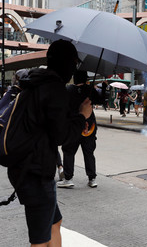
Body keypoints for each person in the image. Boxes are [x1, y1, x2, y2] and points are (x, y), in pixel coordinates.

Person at [7, 39, 92, 246]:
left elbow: (45, 124)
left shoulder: (35, 82)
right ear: (68, 62)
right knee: (40, 240)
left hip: (26, 167)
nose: (74, 69)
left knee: (55, 222)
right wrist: (82, 116)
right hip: (35, 172)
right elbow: (60, 136)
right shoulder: (54, 89)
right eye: (74, 63)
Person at [58, 70, 104, 189]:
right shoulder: (90, 90)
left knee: (68, 151)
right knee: (89, 152)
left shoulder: (68, 90)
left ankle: (68, 178)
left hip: (74, 125)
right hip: (90, 127)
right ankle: (92, 179)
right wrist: (103, 87)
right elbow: (100, 100)